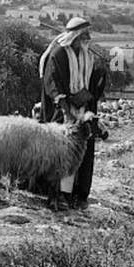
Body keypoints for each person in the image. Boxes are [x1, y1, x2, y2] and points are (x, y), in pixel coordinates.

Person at [38, 16, 107, 204]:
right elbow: (51, 83)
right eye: (85, 34)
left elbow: (91, 82)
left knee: (80, 153)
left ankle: (75, 194)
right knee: (61, 155)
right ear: (75, 36)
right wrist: (66, 107)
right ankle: (56, 194)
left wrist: (101, 72)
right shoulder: (58, 54)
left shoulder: (87, 55)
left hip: (82, 110)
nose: (88, 37)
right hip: (63, 112)